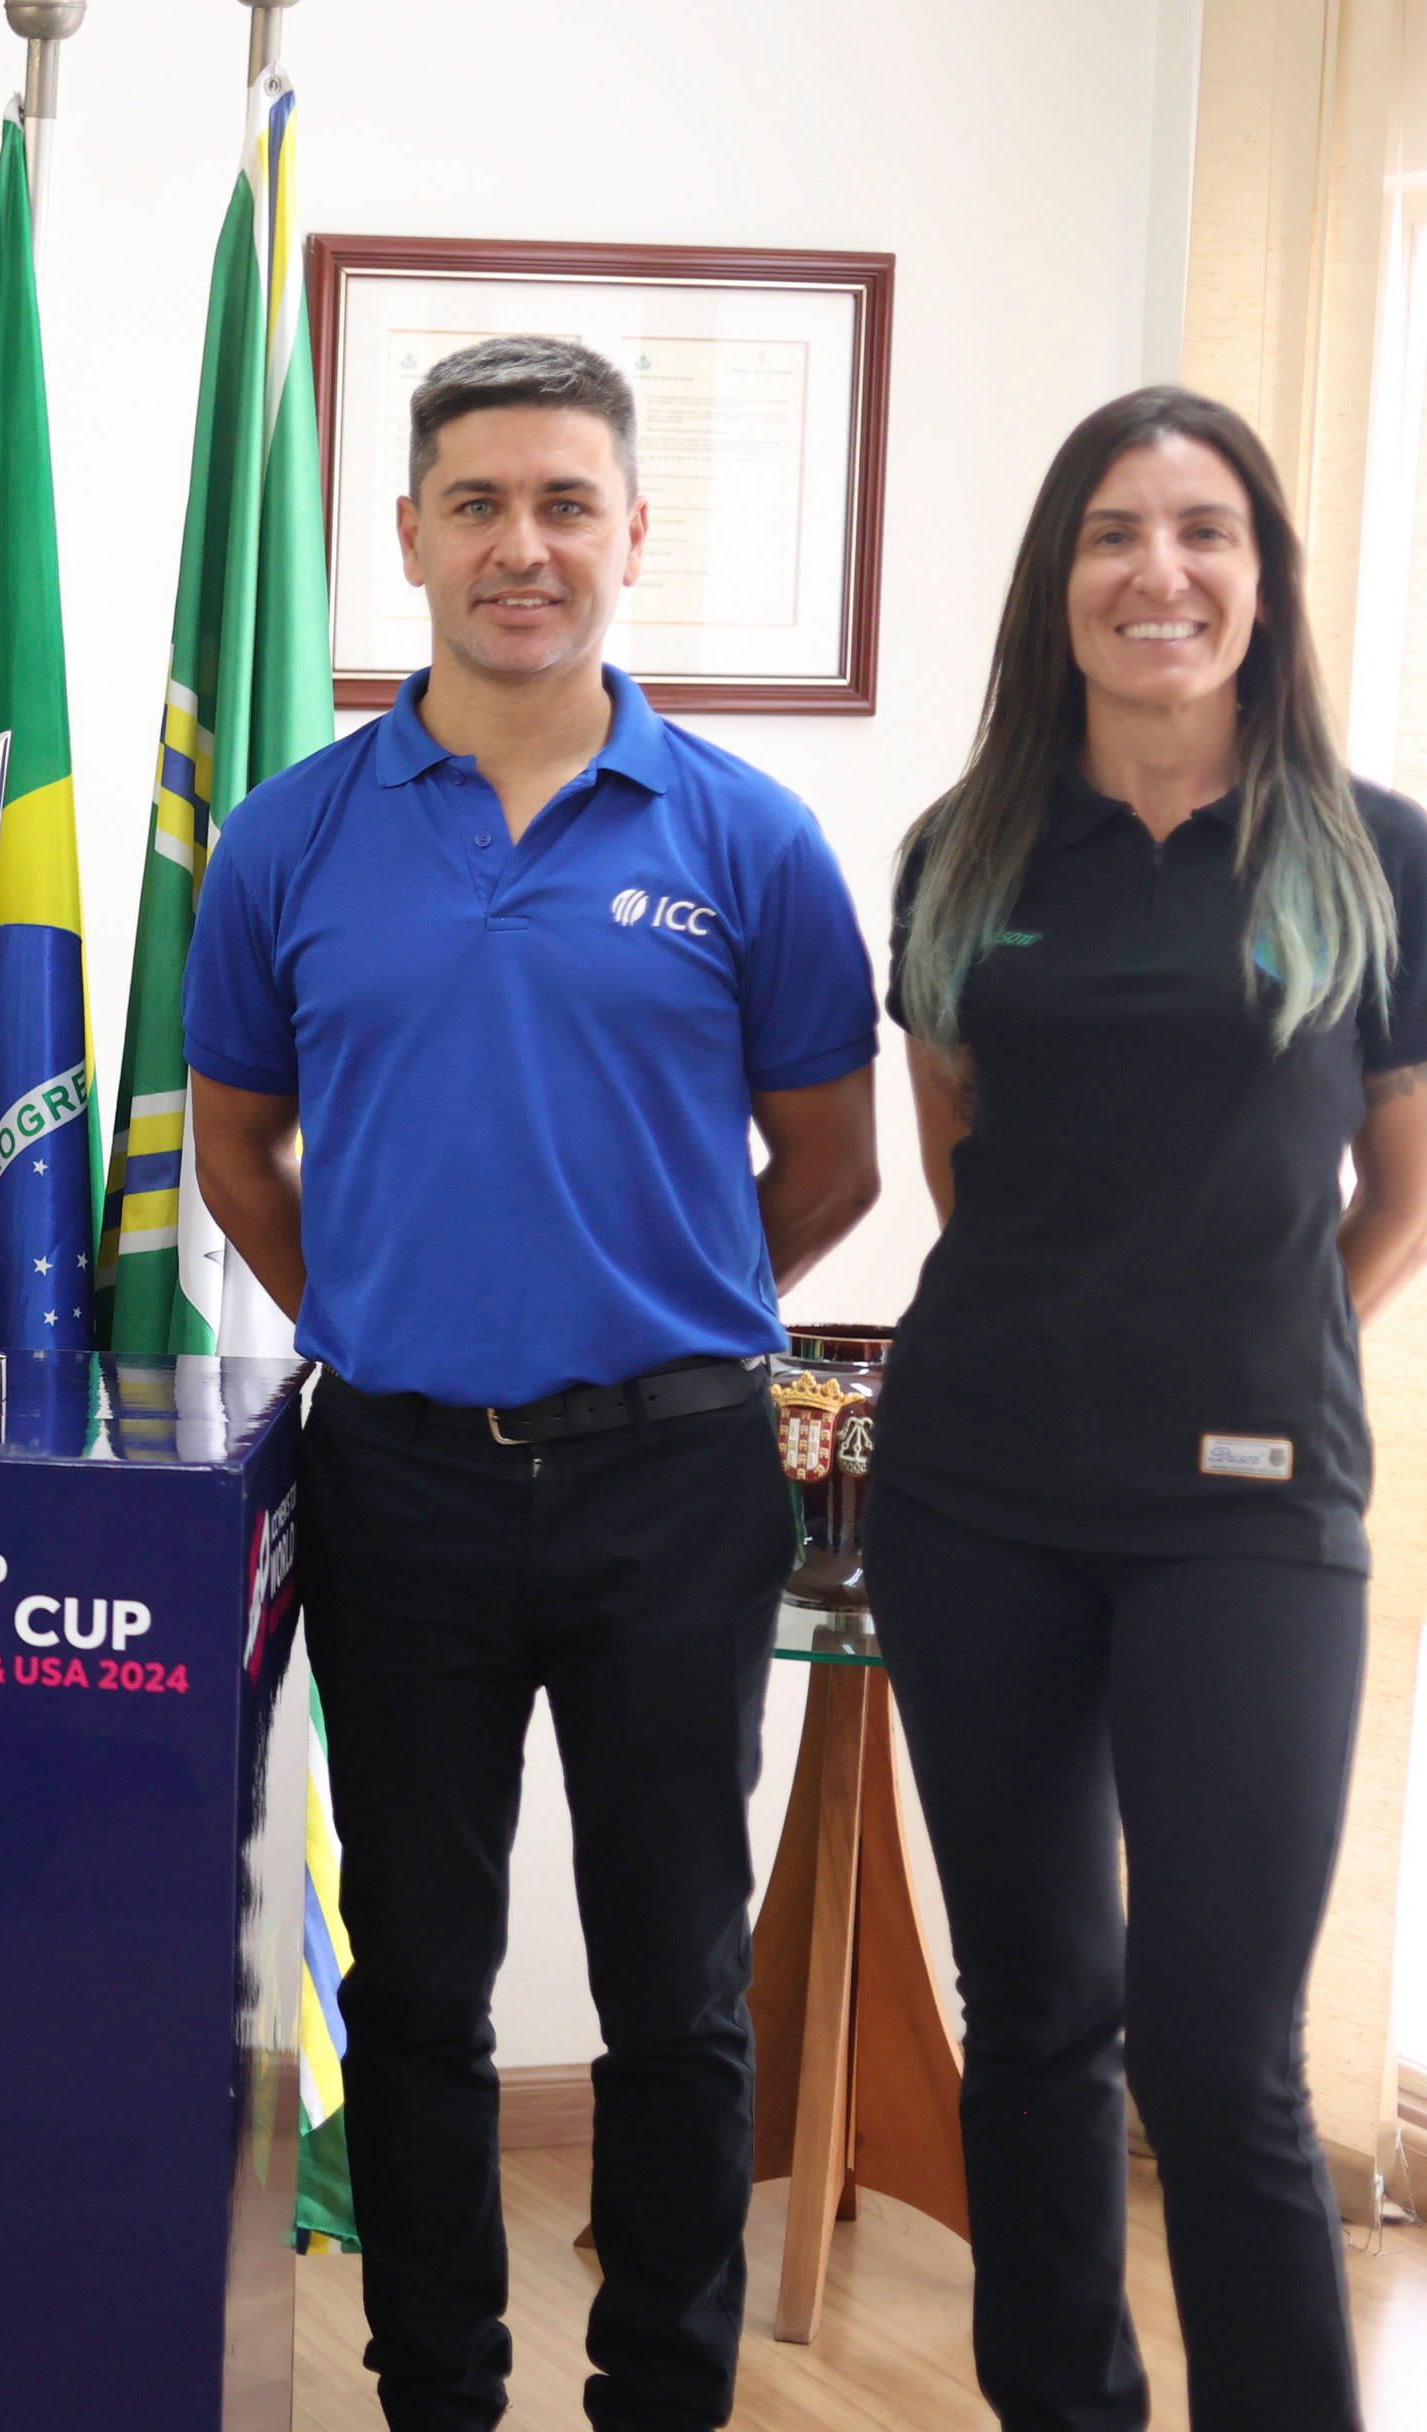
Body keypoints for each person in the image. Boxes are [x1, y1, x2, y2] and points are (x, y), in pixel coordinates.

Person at [184, 333, 883, 2432]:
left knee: (678, 1988)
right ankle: (440, 2393)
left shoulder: (748, 837)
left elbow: (834, 1164)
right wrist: (391, 1312)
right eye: (478, 503)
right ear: (408, 535)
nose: (523, 545)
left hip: (677, 1481)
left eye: (566, 502)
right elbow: (237, 1151)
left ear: (632, 535)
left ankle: (661, 2395)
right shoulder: (289, 839)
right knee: (416, 1986)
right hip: (396, 1483)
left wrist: (656, 1307)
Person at [869, 387, 1427, 2431]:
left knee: (1220, 2051)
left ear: (1264, 581)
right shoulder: (965, 851)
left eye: (1206, 532)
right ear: (1060, 581)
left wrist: (1246, 1341)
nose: (1158, 572)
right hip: (978, 1494)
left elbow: (1403, 1187)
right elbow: (963, 1160)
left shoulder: (1376, 854)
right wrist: (1088, 1330)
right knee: (1035, 2013)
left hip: (1254, 1513)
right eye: (1113, 532)